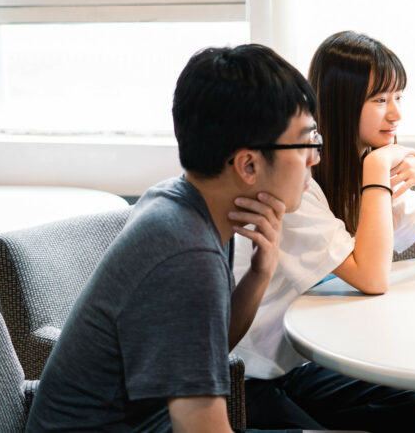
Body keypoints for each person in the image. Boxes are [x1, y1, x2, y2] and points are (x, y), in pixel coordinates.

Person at [26, 44, 320, 432]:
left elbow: (202, 354)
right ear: (248, 164)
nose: (315, 157)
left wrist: (259, 274)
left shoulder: (190, 203)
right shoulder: (186, 252)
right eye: (306, 142)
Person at [232, 30, 415, 432]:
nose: (395, 115)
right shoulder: (299, 184)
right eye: (380, 100)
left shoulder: (363, 167)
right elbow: (372, 278)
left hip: (301, 362)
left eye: (398, 97)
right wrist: (377, 170)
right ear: (341, 104)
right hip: (253, 372)